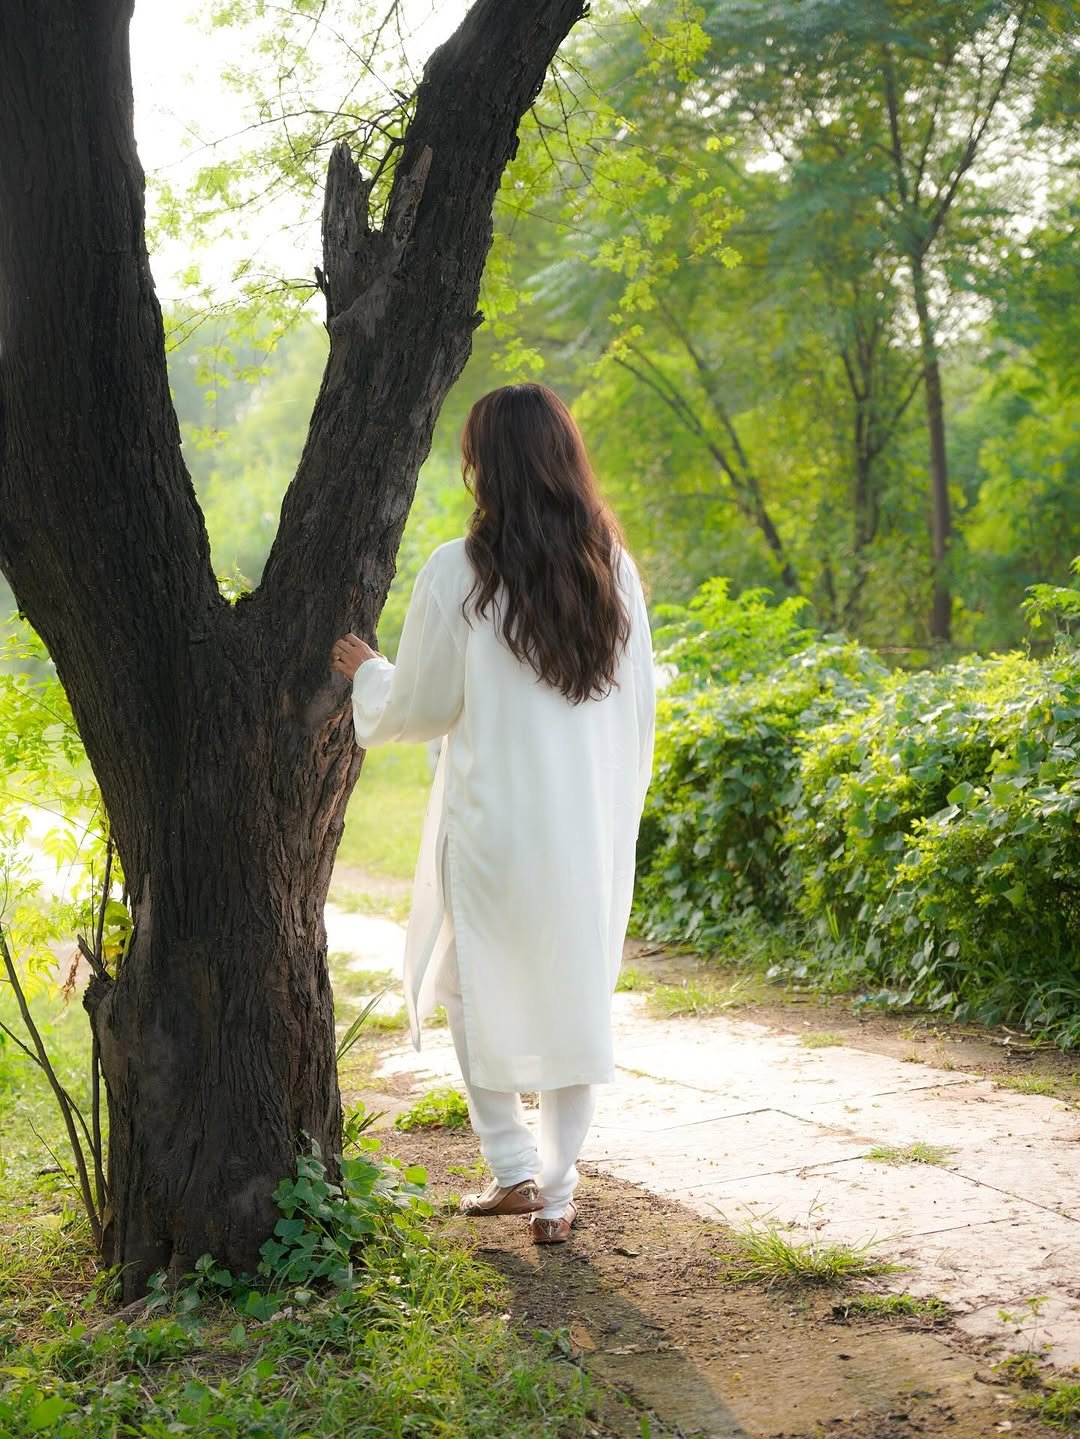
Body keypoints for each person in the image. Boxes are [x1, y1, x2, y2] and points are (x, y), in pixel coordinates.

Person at [330, 383, 655, 1243]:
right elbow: (640, 710)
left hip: (496, 827)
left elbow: (423, 705)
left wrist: (370, 670)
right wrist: (617, 802)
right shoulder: (610, 569)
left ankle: (513, 1163)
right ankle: (554, 1190)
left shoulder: (459, 571)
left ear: (485, 466)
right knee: (573, 990)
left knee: (463, 984)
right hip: (585, 820)